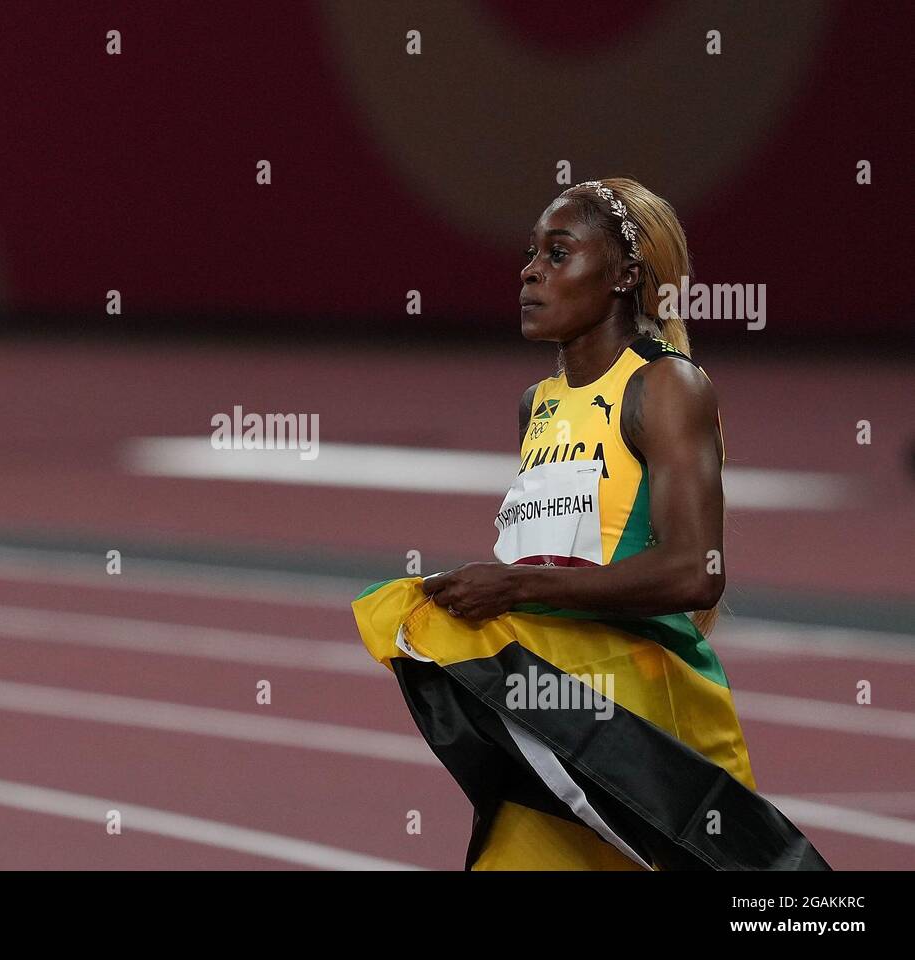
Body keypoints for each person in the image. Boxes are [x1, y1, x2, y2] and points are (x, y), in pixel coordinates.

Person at [352, 178, 828, 870]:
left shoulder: (665, 386)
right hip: (554, 708)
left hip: (646, 714)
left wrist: (516, 588)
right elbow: (553, 556)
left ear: (624, 277)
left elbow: (697, 572)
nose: (530, 270)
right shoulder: (537, 405)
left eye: (559, 253)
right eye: (530, 254)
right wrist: (499, 591)